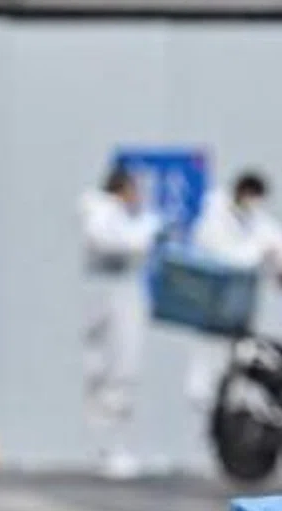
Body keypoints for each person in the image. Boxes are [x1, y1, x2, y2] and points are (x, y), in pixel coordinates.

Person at [184, 170, 282, 414]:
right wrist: (258, 252)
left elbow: (281, 244)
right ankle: (210, 415)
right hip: (213, 306)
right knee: (209, 366)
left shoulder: (256, 220)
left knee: (241, 361)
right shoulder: (213, 216)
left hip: (240, 305)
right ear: (241, 192)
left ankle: (232, 416)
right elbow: (224, 257)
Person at [78, 165, 163, 479]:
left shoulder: (111, 216)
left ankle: (110, 447)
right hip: (114, 300)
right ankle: (108, 449)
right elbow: (114, 243)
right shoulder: (105, 213)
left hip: (109, 297)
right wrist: (147, 232)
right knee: (116, 372)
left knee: (109, 374)